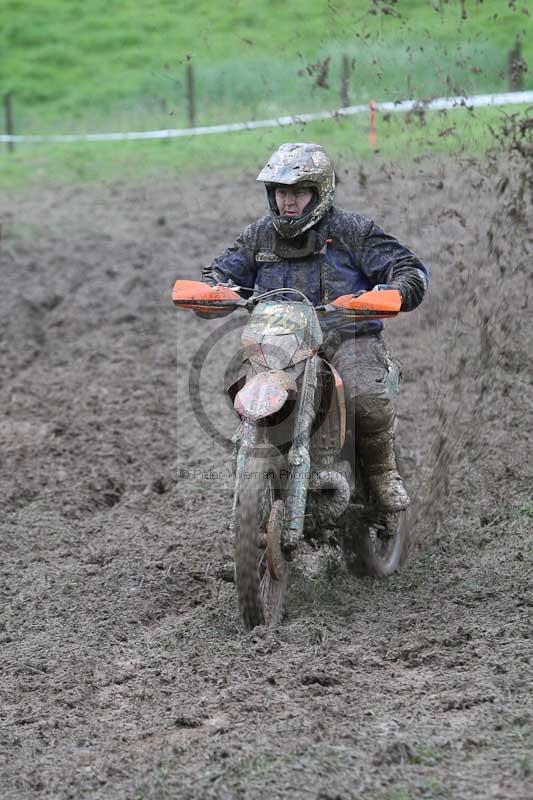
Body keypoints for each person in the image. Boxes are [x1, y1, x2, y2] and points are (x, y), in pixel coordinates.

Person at [201, 142, 428, 512]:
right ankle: (260, 457)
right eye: (281, 192)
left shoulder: (353, 230)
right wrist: (214, 290)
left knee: (365, 398)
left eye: (298, 192)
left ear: (319, 193)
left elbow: (408, 267)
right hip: (279, 340)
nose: (288, 202)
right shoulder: (259, 235)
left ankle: (382, 471)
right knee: (238, 382)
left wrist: (394, 291)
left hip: (347, 336)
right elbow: (220, 273)